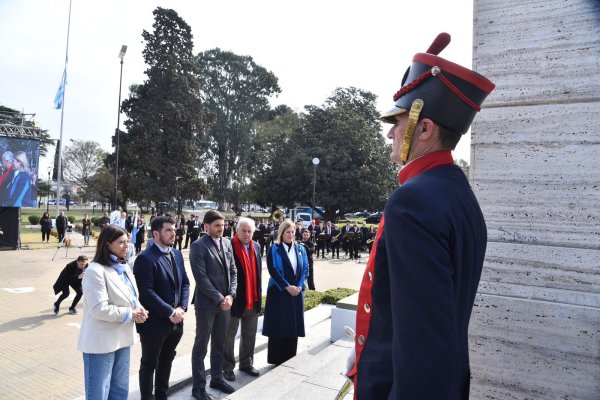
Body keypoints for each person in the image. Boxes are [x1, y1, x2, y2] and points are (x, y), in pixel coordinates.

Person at [347, 33, 495, 399]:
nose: (390, 134)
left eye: (397, 122)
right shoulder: (457, 195)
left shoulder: (412, 202)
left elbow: (421, 345)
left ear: (424, 128)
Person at [77, 225, 148, 400]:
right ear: (107, 244)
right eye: (121, 242)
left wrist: (139, 309)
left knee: (119, 391)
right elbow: (99, 309)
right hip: (101, 344)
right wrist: (130, 314)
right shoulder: (95, 271)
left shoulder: (123, 267)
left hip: (123, 339)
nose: (126, 246)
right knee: (99, 393)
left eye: (127, 242)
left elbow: (131, 297)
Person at [133, 216, 190, 400]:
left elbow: (186, 283)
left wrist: (181, 307)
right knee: (149, 364)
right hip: (154, 325)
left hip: (176, 323)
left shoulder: (176, 254)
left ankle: (162, 396)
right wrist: (170, 312)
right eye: (169, 230)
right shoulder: (145, 259)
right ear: (156, 234)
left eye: (174, 230)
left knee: (167, 361)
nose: (174, 233)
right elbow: (146, 293)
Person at [190, 210, 237, 399]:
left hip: (226, 304)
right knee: (201, 347)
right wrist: (220, 298)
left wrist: (231, 295)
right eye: (217, 226)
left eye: (223, 225)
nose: (221, 229)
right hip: (207, 305)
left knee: (219, 343)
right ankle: (198, 388)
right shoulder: (198, 246)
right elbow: (201, 278)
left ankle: (216, 378)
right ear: (206, 227)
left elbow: (233, 270)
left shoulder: (227, 243)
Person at [262, 219, 308, 365]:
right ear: (281, 233)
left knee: (292, 325)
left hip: (296, 293)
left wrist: (299, 286)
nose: (290, 234)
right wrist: (287, 287)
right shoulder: (274, 249)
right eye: (287, 232)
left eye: (293, 231)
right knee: (279, 324)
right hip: (279, 292)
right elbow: (273, 270)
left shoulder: (301, 249)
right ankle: (277, 359)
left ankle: (290, 358)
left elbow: (305, 269)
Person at [223, 217, 262, 382]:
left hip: (252, 298)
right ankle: (227, 367)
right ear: (236, 231)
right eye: (243, 231)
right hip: (235, 299)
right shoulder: (228, 246)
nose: (247, 234)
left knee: (250, 334)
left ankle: (246, 363)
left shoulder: (257, 246)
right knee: (229, 336)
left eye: (250, 231)